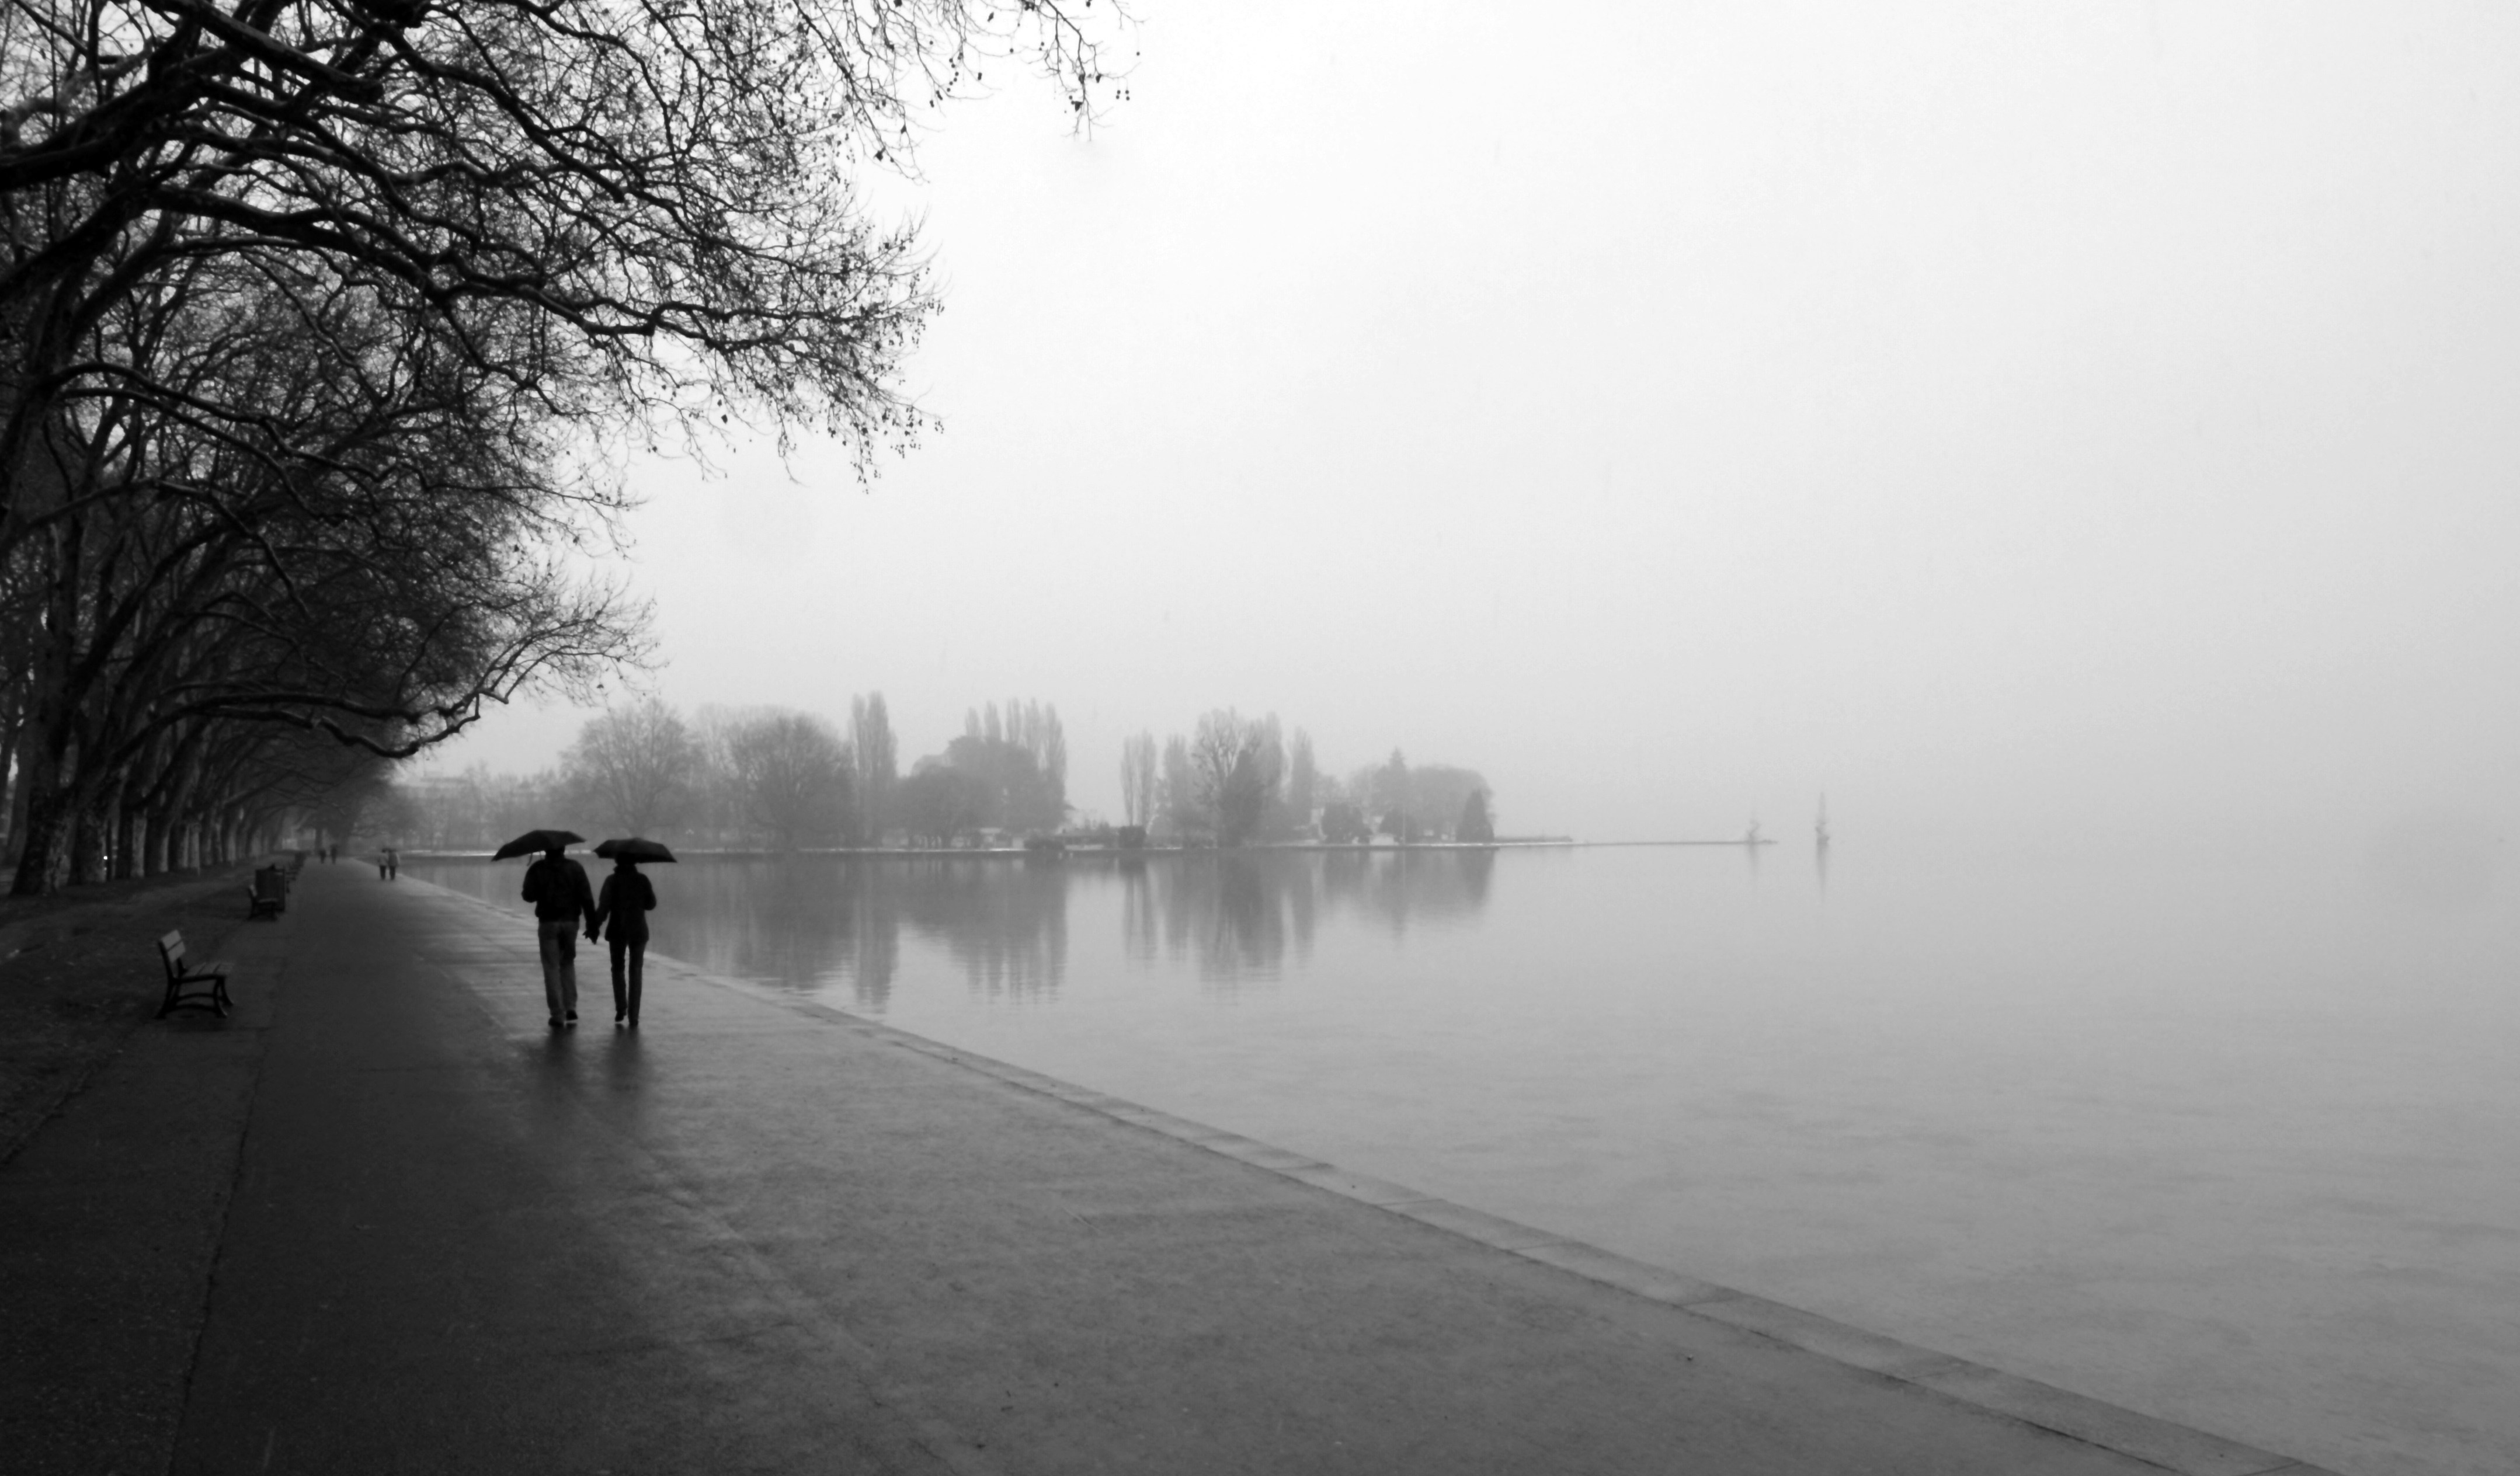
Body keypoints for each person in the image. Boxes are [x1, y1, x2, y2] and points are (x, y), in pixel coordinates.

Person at [521, 843, 596, 1028]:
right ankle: (571, 1005)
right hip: (571, 923)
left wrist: (539, 886)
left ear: (545, 850)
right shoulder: (575, 868)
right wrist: (593, 924)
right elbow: (586, 897)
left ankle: (557, 1014)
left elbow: (528, 896)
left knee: (551, 967)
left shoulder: (538, 869)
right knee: (568, 963)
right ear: (563, 849)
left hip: (548, 923)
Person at [588, 858, 657, 1028]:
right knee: (636, 971)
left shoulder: (612, 881)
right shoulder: (642, 880)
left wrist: (594, 927)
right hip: (639, 930)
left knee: (617, 968)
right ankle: (634, 1016)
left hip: (617, 929)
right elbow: (651, 904)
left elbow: (604, 908)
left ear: (617, 862)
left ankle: (621, 1008)